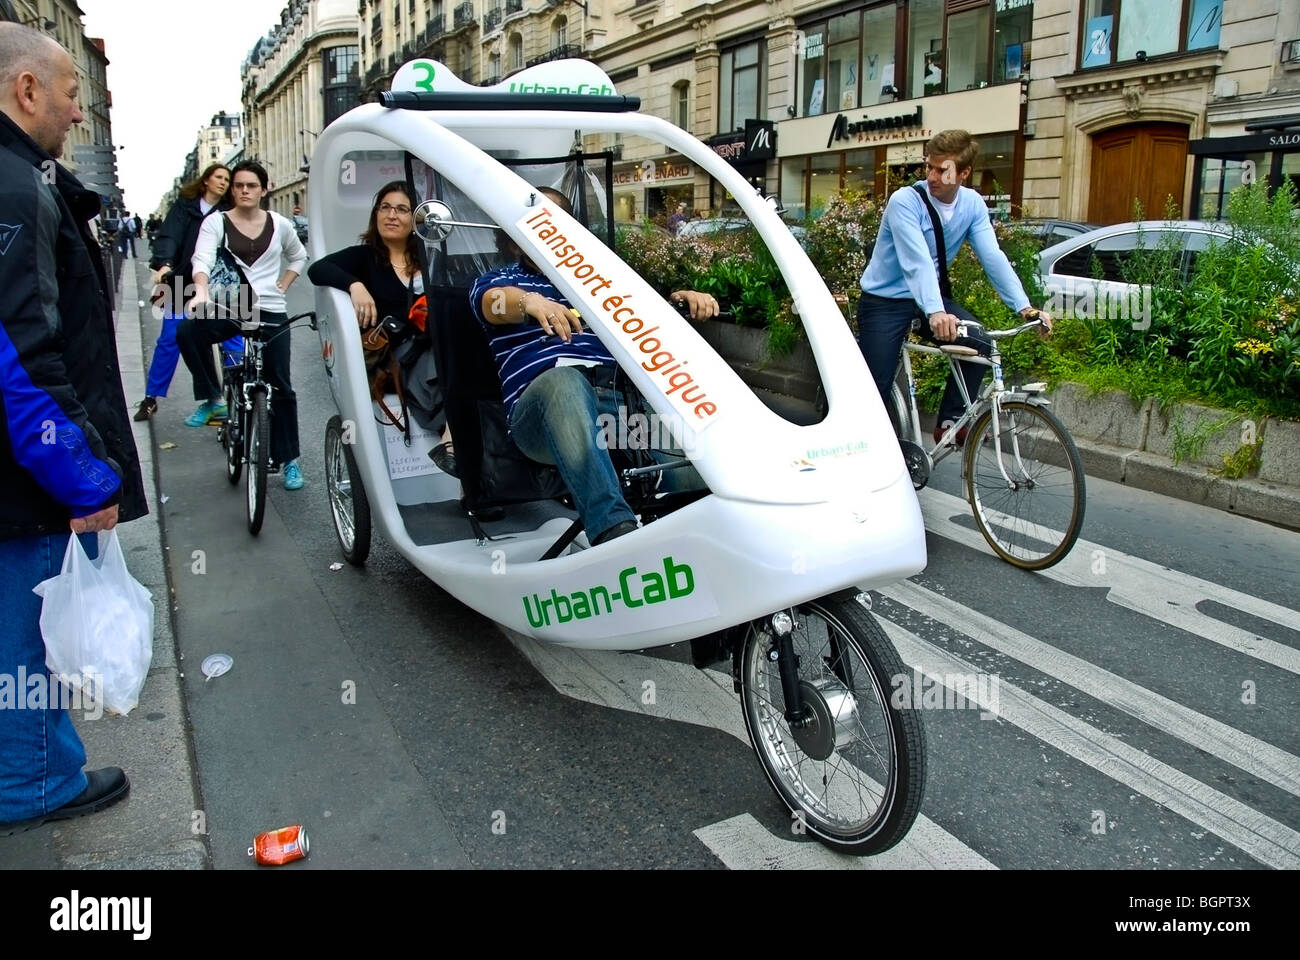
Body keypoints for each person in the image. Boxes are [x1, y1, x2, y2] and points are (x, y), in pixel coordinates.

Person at [0, 22, 145, 834]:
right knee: (25, 626)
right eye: (67, 95)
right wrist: (85, 477)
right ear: (26, 90)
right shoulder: (15, 188)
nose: (75, 113)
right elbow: (21, 356)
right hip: (24, 474)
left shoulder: (22, 179)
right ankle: (32, 782)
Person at [471, 188, 717, 545]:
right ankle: (614, 534)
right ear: (514, 240)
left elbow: (650, 315)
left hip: (620, 405)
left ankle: (709, 527)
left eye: (554, 221)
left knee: (679, 401)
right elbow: (492, 304)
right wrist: (529, 302)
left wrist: (681, 300)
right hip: (542, 416)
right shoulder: (499, 282)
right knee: (564, 383)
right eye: (533, 223)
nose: (544, 229)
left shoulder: (600, 285)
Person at [855, 129, 1050, 444]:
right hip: (885, 302)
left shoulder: (971, 204)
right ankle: (859, 450)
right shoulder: (905, 201)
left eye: (941, 169)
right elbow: (915, 262)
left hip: (930, 300)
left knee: (981, 344)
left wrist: (1025, 307)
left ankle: (950, 422)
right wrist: (935, 311)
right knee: (873, 390)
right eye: (928, 166)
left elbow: (993, 257)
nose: (931, 175)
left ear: (964, 173)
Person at [308, 180, 455, 472]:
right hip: (392, 356)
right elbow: (317, 270)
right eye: (384, 207)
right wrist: (355, 284)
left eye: (402, 209)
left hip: (431, 349)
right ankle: (452, 440)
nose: (391, 215)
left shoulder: (431, 259)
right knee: (448, 363)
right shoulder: (364, 257)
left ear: (416, 220)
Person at [180, 160, 309, 490]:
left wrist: (285, 283)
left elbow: (298, 256)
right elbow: (202, 259)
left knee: (281, 385)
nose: (244, 190)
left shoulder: (280, 225)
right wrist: (202, 291)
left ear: (264, 190)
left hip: (269, 307)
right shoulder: (216, 224)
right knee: (187, 331)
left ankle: (290, 459)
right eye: (238, 185)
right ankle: (213, 397)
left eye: (251, 185)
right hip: (231, 304)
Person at [133, 163, 232, 421]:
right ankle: (151, 398)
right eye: (219, 177)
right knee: (170, 339)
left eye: (227, 180)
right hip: (182, 280)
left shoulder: (228, 211)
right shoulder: (185, 206)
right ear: (206, 180)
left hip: (221, 282)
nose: (224, 182)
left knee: (235, 340)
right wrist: (164, 264)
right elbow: (170, 237)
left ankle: (239, 397)